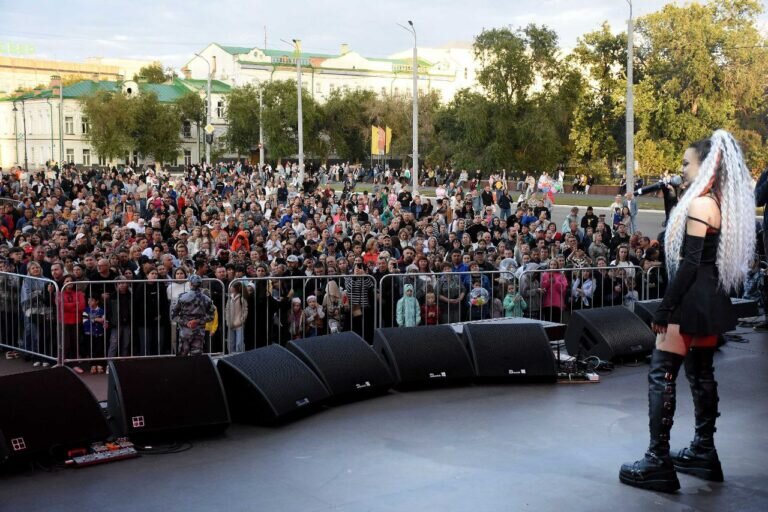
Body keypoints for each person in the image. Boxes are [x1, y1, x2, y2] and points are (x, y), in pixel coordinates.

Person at [620, 130, 755, 492]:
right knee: (700, 373)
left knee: (661, 373)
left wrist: (664, 310)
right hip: (708, 300)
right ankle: (703, 450)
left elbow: (689, 263)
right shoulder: (713, 202)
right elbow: (684, 247)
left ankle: (657, 460)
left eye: (685, 163)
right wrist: (670, 200)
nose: (680, 169)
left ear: (705, 165)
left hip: (689, 300)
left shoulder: (699, 205)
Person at [171, 274, 215, 356]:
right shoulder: (207, 299)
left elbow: (173, 315)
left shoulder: (181, 297)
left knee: (182, 357)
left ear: (190, 284)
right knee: (196, 359)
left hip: (185, 332)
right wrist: (197, 321)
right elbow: (211, 316)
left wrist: (186, 322)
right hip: (199, 333)